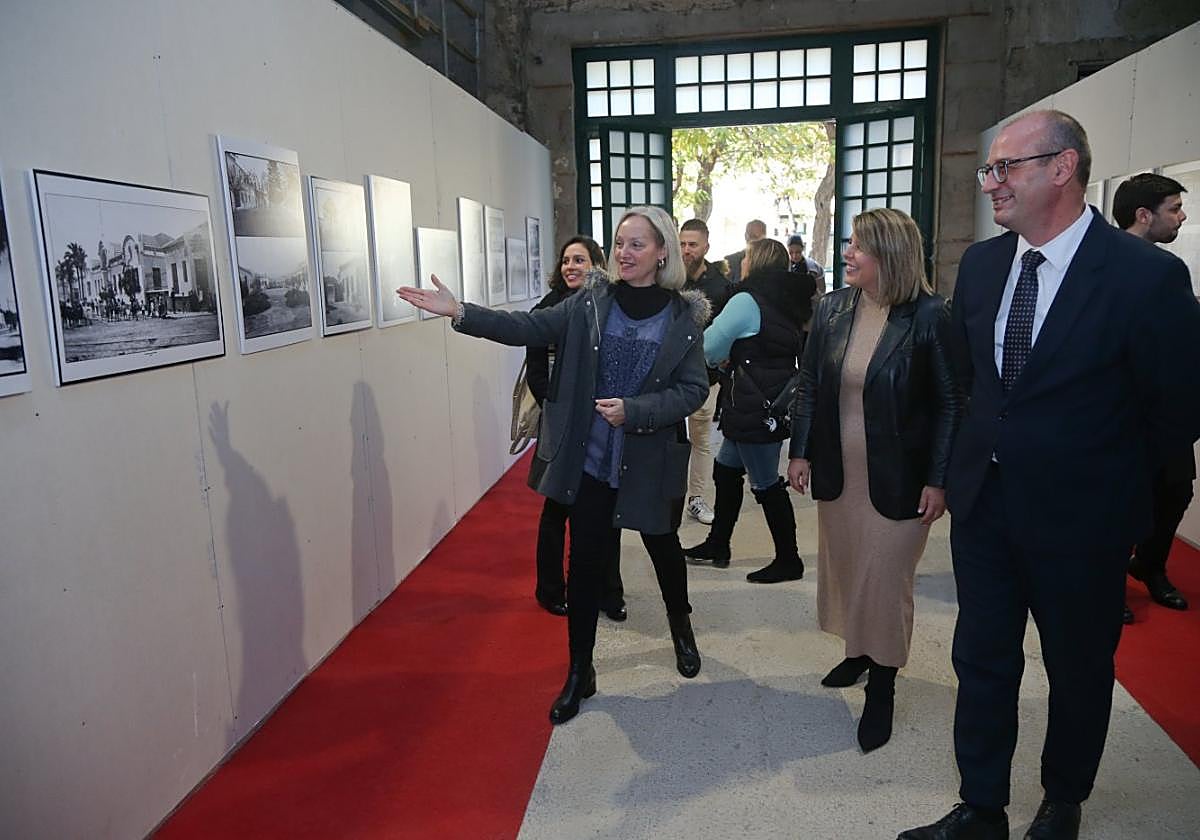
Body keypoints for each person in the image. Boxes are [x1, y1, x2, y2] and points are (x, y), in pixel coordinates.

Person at [900, 111, 1200, 840]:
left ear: (1063, 168)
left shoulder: (1147, 276)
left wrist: (1115, 495)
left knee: (1078, 668)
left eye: (1006, 168)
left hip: (1084, 520)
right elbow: (970, 385)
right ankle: (981, 806)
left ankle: (1063, 799)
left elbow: (1176, 412)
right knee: (981, 659)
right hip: (987, 508)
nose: (991, 184)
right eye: (988, 170)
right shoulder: (983, 264)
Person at [397, 205, 710, 726]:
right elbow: (528, 325)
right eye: (620, 242)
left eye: (637, 244)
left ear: (662, 253)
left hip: (648, 457)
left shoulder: (682, 317)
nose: (624, 253)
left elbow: (693, 390)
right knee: (583, 565)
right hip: (590, 460)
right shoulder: (590, 301)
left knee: (662, 548)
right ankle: (579, 671)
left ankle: (681, 628)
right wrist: (461, 312)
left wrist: (636, 411)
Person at [786, 208, 960, 753]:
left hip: (902, 477)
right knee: (847, 568)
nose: (846, 254)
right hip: (841, 472)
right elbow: (811, 384)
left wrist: (939, 478)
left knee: (885, 580)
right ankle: (858, 653)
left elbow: (951, 404)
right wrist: (800, 451)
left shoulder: (931, 316)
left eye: (858, 246)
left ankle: (882, 684)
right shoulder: (833, 308)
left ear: (889, 253)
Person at [684, 238, 814, 585]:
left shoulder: (747, 300)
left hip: (754, 405)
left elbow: (709, 346)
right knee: (726, 472)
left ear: (753, 263)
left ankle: (789, 559)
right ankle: (718, 544)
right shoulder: (790, 301)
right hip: (767, 401)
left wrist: (722, 355)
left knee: (767, 485)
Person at [528, 235, 626, 623]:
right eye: (567, 259)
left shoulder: (610, 308)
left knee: (607, 509)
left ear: (596, 265)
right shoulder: (547, 310)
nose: (571, 266)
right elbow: (537, 372)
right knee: (557, 508)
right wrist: (560, 407)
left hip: (604, 423)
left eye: (580, 260)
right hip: (562, 425)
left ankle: (609, 590)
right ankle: (550, 589)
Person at [1112, 173, 1192, 623]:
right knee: (1121, 499)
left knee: (1176, 490)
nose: (1181, 217)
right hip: (1125, 414)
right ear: (1144, 215)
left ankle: (1150, 565)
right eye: (1174, 208)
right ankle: (1111, 579)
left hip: (1169, 412)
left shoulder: (1166, 270)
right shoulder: (1104, 265)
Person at [679, 218, 732, 526]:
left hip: (705, 376)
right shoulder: (668, 280)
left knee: (701, 439)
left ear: (706, 247)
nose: (686, 250)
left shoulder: (720, 287)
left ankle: (696, 498)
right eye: (683, 243)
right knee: (671, 439)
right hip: (669, 378)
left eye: (692, 244)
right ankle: (667, 495)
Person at [725, 218, 767, 285]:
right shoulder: (730, 261)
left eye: (760, 240)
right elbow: (726, 291)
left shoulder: (771, 261)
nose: (756, 243)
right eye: (753, 237)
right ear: (746, 236)